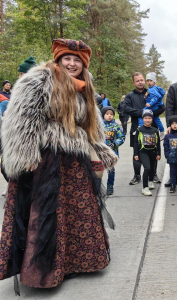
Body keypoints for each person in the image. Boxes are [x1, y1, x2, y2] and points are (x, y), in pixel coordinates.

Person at [0, 38, 117, 291]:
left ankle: (76, 262)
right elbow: (22, 119)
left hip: (75, 160)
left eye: (77, 60)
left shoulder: (85, 86)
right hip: (46, 159)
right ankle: (46, 270)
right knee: (48, 215)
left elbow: (91, 124)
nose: (72, 63)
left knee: (78, 210)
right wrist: (27, 154)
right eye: (67, 58)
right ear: (58, 60)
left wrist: (99, 148)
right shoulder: (39, 80)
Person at [124, 72, 165, 185]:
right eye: (137, 81)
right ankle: (137, 176)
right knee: (136, 152)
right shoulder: (130, 96)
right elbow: (125, 108)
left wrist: (150, 114)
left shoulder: (151, 91)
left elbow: (162, 107)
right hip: (136, 129)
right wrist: (141, 113)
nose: (140, 82)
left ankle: (154, 174)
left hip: (152, 130)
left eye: (142, 80)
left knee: (153, 152)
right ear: (133, 82)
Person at [134, 110, 161, 196]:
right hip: (143, 152)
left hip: (153, 152)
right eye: (145, 118)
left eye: (149, 118)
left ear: (152, 119)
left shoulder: (155, 130)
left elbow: (158, 143)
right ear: (143, 119)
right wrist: (136, 154)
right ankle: (145, 188)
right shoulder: (139, 130)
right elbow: (136, 142)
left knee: (153, 168)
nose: (147, 120)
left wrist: (159, 153)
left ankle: (150, 182)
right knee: (147, 168)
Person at [102, 106, 125, 195]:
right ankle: (97, 186)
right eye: (107, 114)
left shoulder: (116, 126)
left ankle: (110, 186)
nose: (109, 116)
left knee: (111, 170)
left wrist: (115, 144)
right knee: (98, 170)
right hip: (101, 152)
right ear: (103, 115)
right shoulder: (99, 125)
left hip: (112, 152)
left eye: (111, 114)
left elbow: (122, 137)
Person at [138, 72, 165, 140]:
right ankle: (162, 131)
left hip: (153, 106)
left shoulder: (153, 89)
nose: (149, 82)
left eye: (151, 81)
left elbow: (155, 98)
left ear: (154, 81)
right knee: (157, 119)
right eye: (147, 81)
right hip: (153, 106)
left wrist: (150, 103)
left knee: (142, 113)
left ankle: (140, 126)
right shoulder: (151, 88)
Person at [163, 115, 177, 193]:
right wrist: (167, 155)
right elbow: (166, 146)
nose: (174, 125)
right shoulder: (168, 136)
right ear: (170, 125)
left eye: (176, 123)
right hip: (172, 157)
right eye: (172, 124)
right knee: (172, 172)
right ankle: (172, 185)